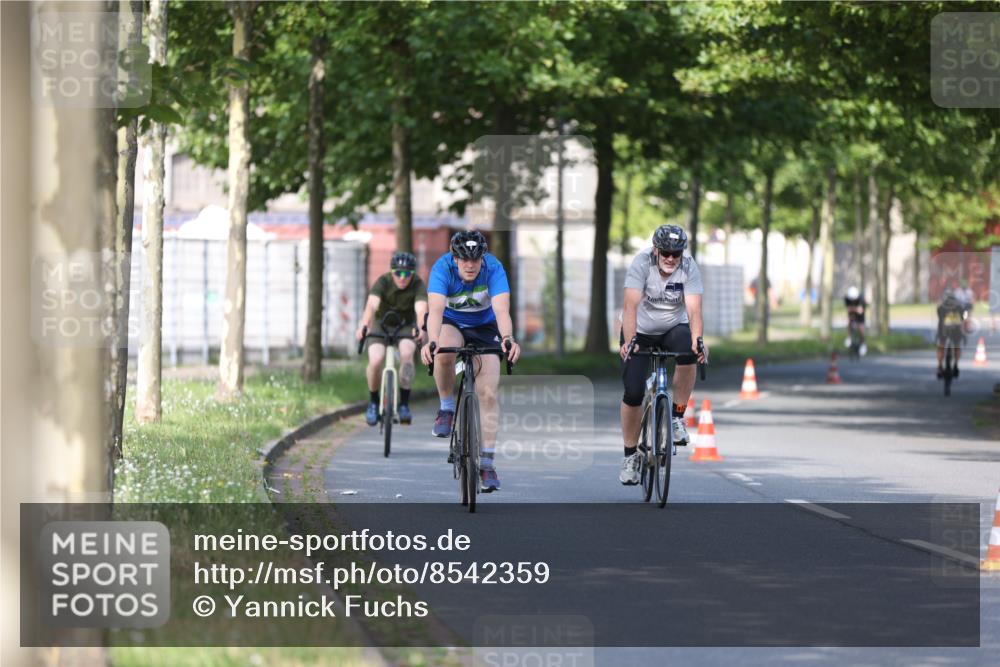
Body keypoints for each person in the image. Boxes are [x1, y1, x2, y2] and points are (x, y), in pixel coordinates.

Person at [420, 230, 521, 492]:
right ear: (454, 258)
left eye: (475, 259)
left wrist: (507, 338)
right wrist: (431, 341)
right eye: (464, 259)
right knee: (444, 350)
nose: (470, 265)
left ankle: (487, 464)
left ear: (482, 258)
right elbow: (435, 311)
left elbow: (502, 310)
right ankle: (446, 407)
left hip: (485, 327)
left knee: (488, 393)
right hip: (451, 322)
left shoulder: (494, 268)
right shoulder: (442, 269)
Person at [618, 225, 707, 486]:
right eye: (665, 253)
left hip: (672, 327)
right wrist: (630, 341)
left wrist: (698, 340)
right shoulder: (641, 263)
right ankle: (630, 456)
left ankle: (677, 417)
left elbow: (694, 310)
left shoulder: (688, 266)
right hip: (640, 330)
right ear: (656, 250)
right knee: (633, 392)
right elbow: (630, 306)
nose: (670, 258)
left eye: (675, 254)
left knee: (689, 350)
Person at [355, 252, 427, 426]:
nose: (402, 277)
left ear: (412, 273)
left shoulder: (417, 284)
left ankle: (404, 404)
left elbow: (421, 310)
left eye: (407, 273)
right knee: (375, 360)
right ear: (392, 272)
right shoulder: (383, 281)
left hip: (406, 325)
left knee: (407, 354)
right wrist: (364, 325)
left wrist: (420, 327)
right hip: (381, 324)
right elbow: (372, 305)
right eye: (398, 273)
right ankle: (373, 402)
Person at [936, 288, 969, 378]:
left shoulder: (941, 306)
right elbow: (964, 316)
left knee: (941, 345)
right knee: (957, 345)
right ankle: (956, 365)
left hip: (943, 329)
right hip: (956, 330)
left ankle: (940, 366)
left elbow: (939, 316)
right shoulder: (959, 305)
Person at [843, 286, 867, 356]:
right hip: (852, 313)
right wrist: (855, 309)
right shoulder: (846, 298)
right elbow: (848, 309)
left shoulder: (861, 299)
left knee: (861, 328)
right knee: (849, 322)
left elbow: (861, 311)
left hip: (861, 315)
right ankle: (849, 337)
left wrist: (853, 309)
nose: (853, 301)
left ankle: (863, 344)